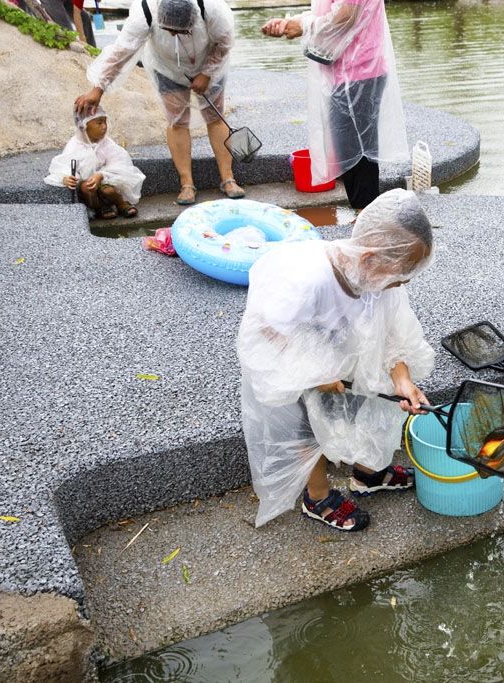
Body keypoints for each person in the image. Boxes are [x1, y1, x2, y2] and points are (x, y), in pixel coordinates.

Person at [238, 189, 435, 530]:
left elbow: (393, 335)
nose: (400, 285)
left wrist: (402, 382)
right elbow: (264, 336)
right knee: (304, 423)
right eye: (399, 277)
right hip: (291, 368)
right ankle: (317, 498)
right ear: (371, 258)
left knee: (373, 393)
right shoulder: (306, 279)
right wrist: (311, 376)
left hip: (340, 361)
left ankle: (368, 473)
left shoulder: (379, 280)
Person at [75, 0, 244, 205]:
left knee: (215, 117)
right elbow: (122, 51)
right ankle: (187, 184)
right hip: (167, 68)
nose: (174, 36)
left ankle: (228, 179)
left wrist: (207, 74)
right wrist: (98, 88)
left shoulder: (212, 9)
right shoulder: (145, 11)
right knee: (177, 121)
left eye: (183, 32)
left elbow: (225, 42)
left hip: (209, 60)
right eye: (169, 30)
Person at [260, 0, 408, 210]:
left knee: (358, 155)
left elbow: (346, 16)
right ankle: (366, 216)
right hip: (349, 72)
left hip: (359, 72)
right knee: (349, 150)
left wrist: (304, 26)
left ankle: (366, 217)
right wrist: (292, 22)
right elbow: (332, 11)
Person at [44, 106, 146, 219]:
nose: (104, 126)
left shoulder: (107, 144)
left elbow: (120, 163)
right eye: (99, 123)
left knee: (108, 190)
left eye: (105, 122)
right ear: (84, 126)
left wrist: (102, 175)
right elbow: (63, 164)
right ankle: (99, 207)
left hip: (106, 182)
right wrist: (66, 177)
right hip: (87, 185)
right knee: (87, 188)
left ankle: (121, 203)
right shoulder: (75, 145)